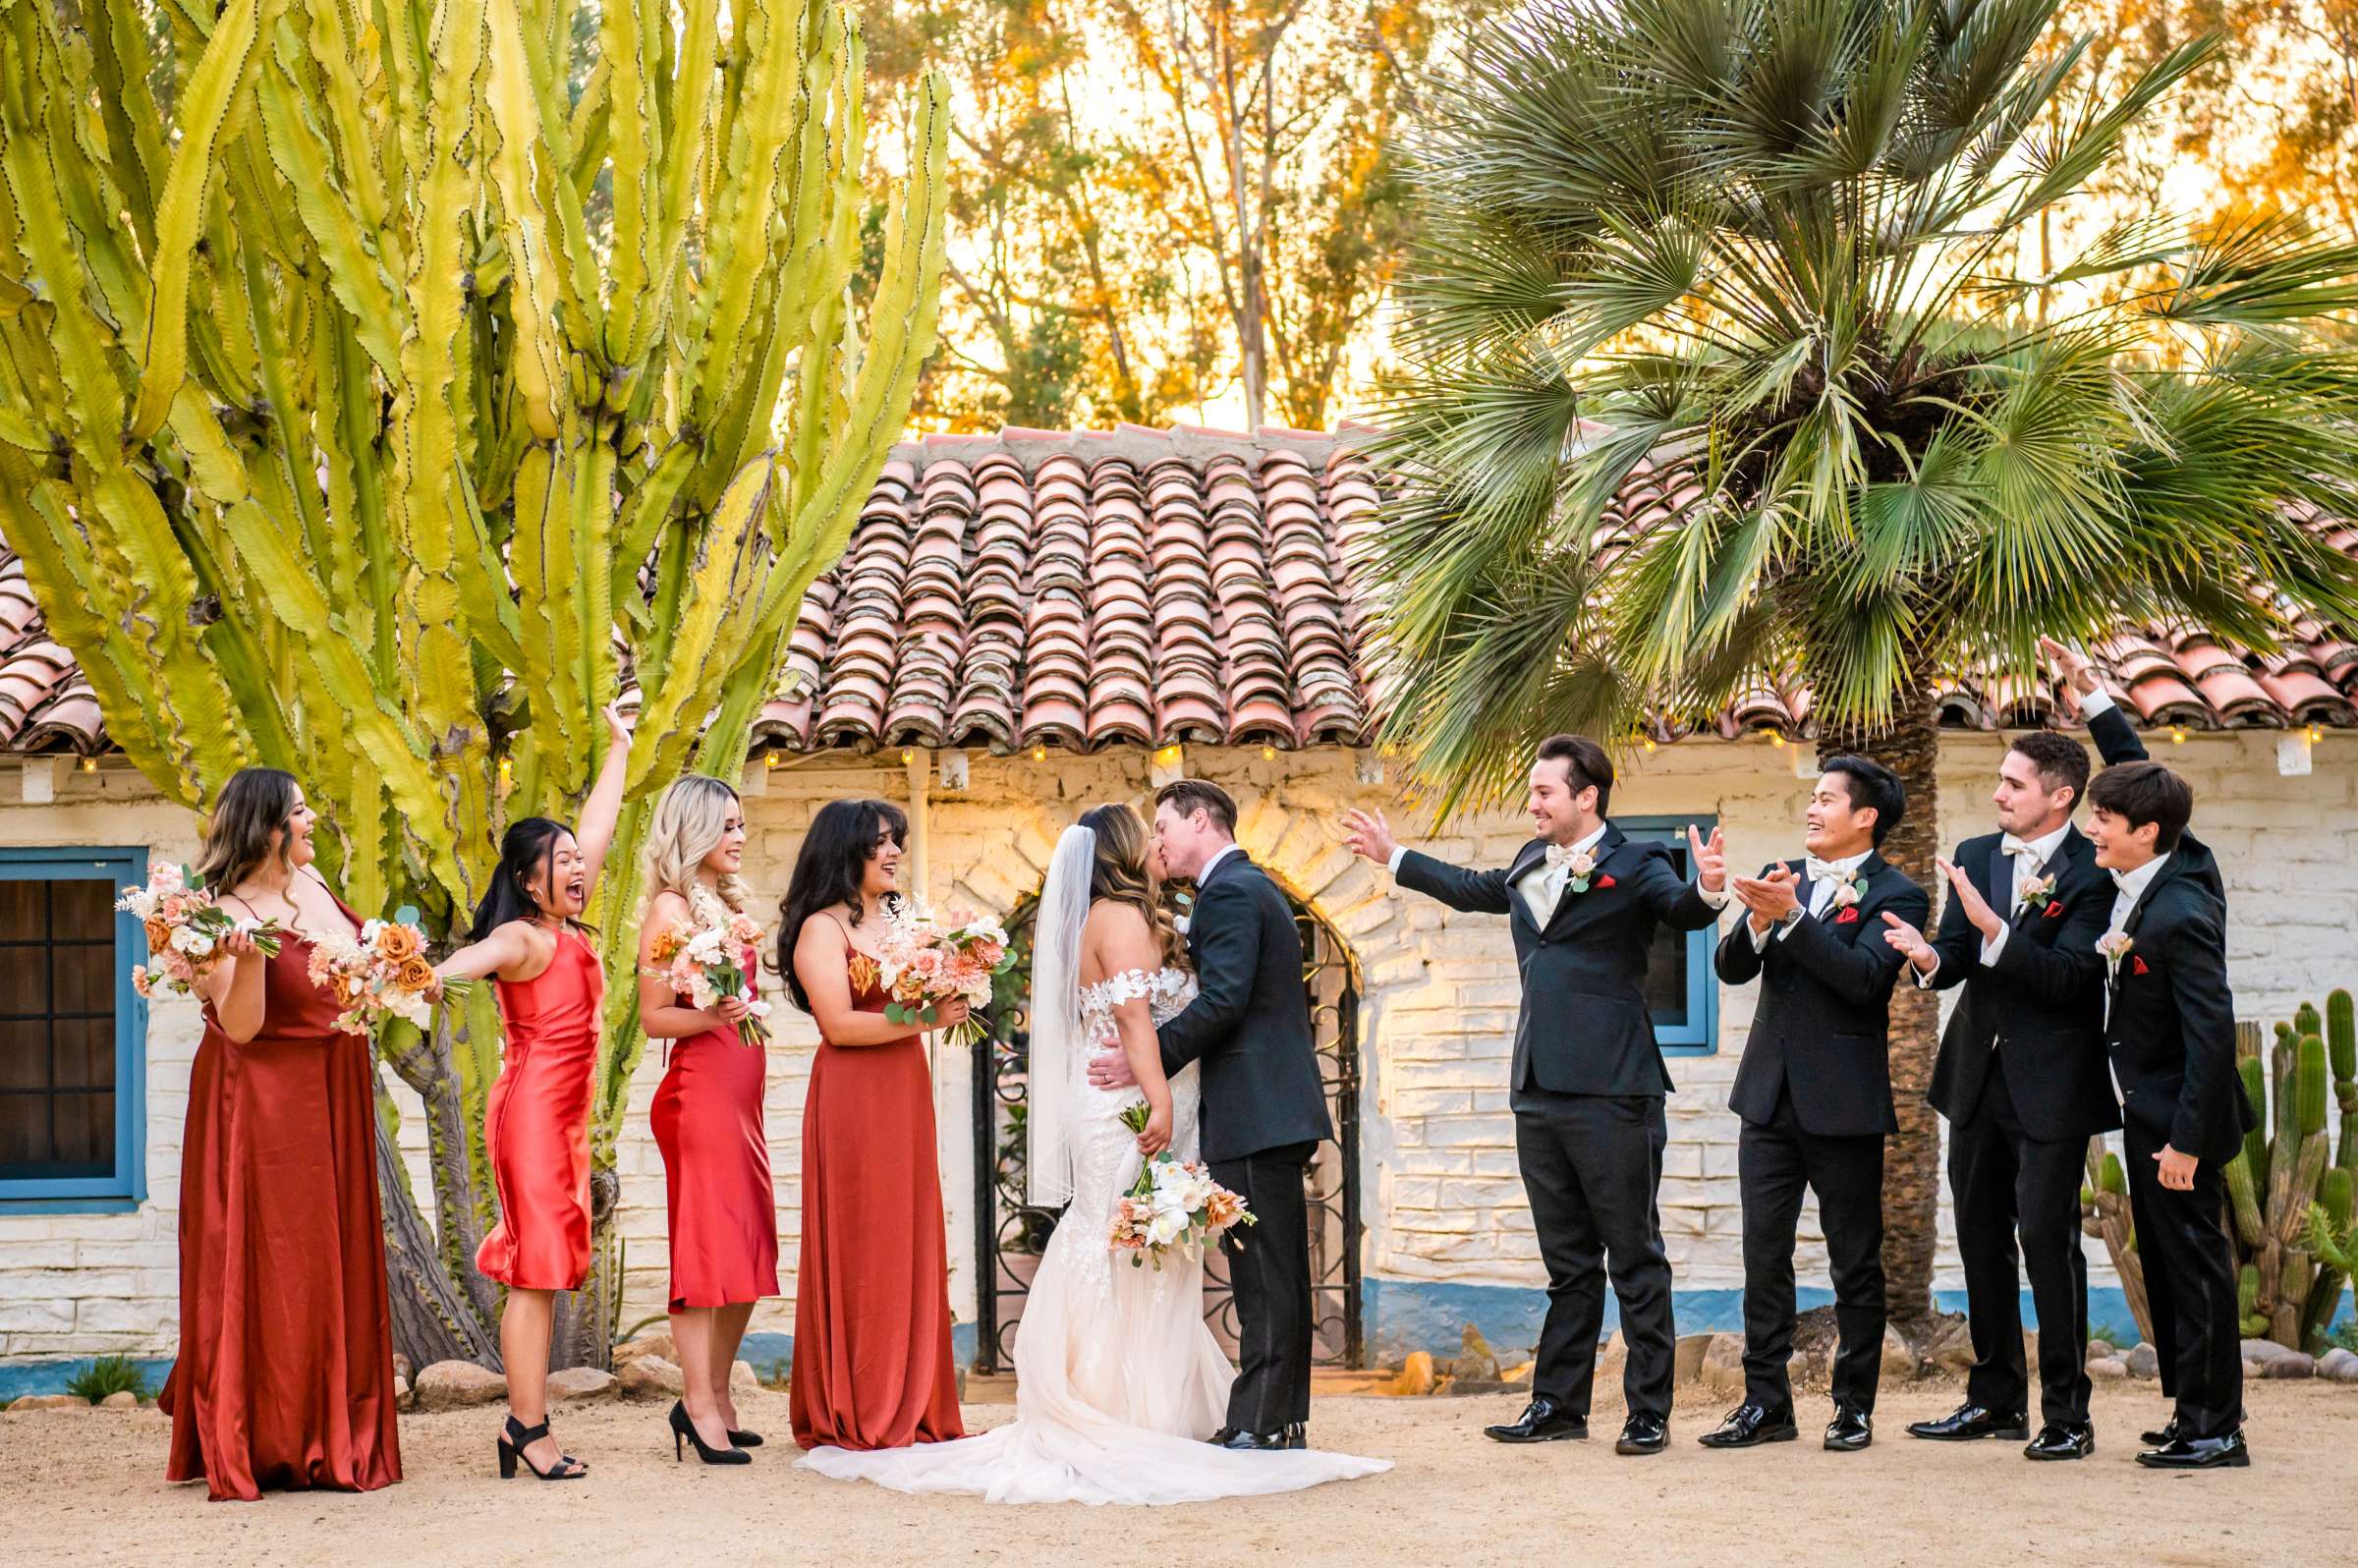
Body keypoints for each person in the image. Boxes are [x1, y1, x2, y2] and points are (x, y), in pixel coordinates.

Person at [801, 805, 1388, 1502]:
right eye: (1146, 832)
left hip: (1134, 1094)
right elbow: (1137, 1019)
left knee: (1136, 1239)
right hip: (1127, 1105)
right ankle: (1118, 1404)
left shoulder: (1134, 916)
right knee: (1119, 1236)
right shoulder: (1123, 918)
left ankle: (1162, 1403)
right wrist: (1160, 1097)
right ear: (1120, 849)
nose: (1156, 840)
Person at [1339, 735, 1728, 1455]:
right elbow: (1470, 887)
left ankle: (1648, 1411)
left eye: (1545, 791)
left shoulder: (1637, 862)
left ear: (1587, 797)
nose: (1533, 802)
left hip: (1615, 1088)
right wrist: (1393, 855)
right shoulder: (1528, 861)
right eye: (1533, 791)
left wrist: (1708, 887)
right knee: (1568, 1263)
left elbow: (1685, 910)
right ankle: (1557, 1404)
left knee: (1634, 1256)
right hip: (1538, 1089)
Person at [161, 768, 404, 1501]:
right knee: (276, 1264)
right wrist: (246, 956)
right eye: (300, 812)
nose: (311, 823)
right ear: (267, 827)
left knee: (333, 1262)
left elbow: (353, 983)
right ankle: (263, 1437)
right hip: (260, 1108)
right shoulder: (212, 915)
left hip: (335, 1092)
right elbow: (240, 1028)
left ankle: (337, 1430)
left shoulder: (317, 888)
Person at [1880, 729, 2117, 1460]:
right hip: (1975, 1080)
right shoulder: (1981, 855)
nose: (1998, 793)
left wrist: (1993, 931)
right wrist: (1929, 958)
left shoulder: (2095, 871)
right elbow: (1955, 956)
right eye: (2001, 780)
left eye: (2014, 784)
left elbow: (2070, 977)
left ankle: (2068, 1415)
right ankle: (1994, 1400)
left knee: (2047, 1244)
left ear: (2061, 796)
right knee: (1981, 1240)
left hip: (2053, 1087)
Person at [1087, 779, 1335, 1450]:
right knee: (1265, 1270)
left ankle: (1265, 1421)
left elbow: (1223, 1002)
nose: (1158, 840)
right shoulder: (1243, 887)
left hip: (1259, 1108)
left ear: (1202, 821)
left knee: (1268, 1272)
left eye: (1165, 825)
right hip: (1264, 1107)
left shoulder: (1229, 891)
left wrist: (1147, 1061)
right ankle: (1272, 1417)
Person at [1703, 756, 1930, 1455]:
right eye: (1812, 796)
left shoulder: (1902, 894)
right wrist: (1760, 922)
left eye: (1826, 798)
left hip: (1844, 1104)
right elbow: (1732, 968)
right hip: (1767, 1098)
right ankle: (1765, 1404)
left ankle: (1853, 1405)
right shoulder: (1782, 873)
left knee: (1854, 1262)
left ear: (1865, 816)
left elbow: (1863, 981)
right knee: (1762, 1256)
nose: (1812, 808)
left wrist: (1794, 919)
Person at [433, 705, 632, 1481]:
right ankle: (526, 1427)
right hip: (530, 1122)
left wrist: (618, 748)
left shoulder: (572, 927)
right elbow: (464, 961)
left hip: (565, 1122)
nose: (579, 869)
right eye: (560, 863)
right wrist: (409, 976)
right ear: (526, 880)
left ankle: (526, 1424)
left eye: (578, 861)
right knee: (534, 1269)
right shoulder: (522, 937)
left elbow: (600, 826)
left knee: (544, 1269)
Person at [2084, 760, 2257, 1469]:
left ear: (2148, 832)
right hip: (2151, 1115)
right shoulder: (2151, 880)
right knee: (2170, 1268)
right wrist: (2091, 694)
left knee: (2197, 1271)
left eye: (2105, 819)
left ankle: (2216, 1431)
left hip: (2183, 1124)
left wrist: (2185, 1143)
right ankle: (2196, 1413)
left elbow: (2213, 1034)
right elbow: (2144, 773)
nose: (2092, 828)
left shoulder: (2182, 910)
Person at [781, 799, 966, 1453]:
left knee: (907, 1235)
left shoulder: (903, 923)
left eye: (897, 841)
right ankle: (860, 1402)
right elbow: (837, 1024)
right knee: (863, 1241)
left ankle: (914, 1398)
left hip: (904, 1091)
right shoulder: (820, 931)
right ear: (845, 852)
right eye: (878, 843)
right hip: (853, 1098)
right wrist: (922, 1020)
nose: (893, 853)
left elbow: (921, 998)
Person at [638, 776, 777, 1465]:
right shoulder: (670, 911)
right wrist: (713, 1016)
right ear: (692, 830)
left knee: (748, 1248)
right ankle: (697, 1405)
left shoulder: (721, 904)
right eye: (726, 825)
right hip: (698, 1097)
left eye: (742, 823)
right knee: (704, 1253)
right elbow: (653, 1017)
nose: (739, 835)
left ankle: (717, 1395)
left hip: (741, 1098)